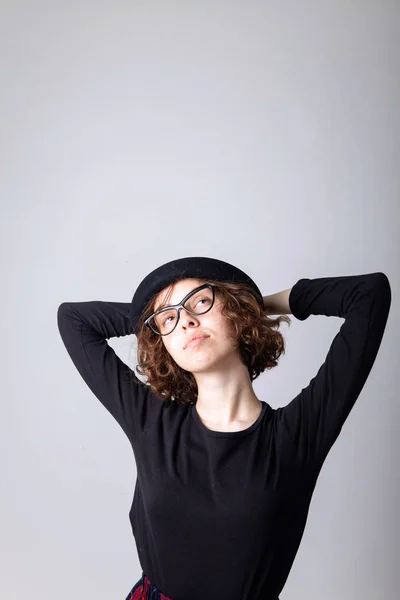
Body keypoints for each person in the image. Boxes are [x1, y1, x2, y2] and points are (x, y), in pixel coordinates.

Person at [56, 256, 391, 600]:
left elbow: (369, 293)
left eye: (200, 302)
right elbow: (74, 319)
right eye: (169, 318)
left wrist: (260, 302)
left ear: (237, 312)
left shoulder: (296, 435)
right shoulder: (151, 421)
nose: (185, 321)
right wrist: (151, 315)